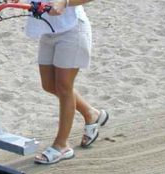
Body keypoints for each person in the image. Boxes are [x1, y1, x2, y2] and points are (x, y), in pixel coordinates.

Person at [10, 0, 109, 164]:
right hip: (48, 30)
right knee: (49, 85)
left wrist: (65, 1)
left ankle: (62, 145)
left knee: (64, 87)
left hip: (72, 30)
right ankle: (91, 113)